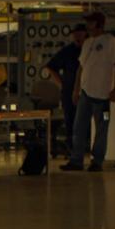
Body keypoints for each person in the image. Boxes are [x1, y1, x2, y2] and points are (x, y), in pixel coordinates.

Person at [62, 12, 115, 172]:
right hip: (85, 95)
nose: (88, 26)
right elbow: (81, 68)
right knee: (78, 127)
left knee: (102, 128)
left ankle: (97, 161)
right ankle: (76, 160)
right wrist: (76, 90)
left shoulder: (111, 42)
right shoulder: (88, 42)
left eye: (91, 23)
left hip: (103, 98)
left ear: (99, 24)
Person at [46, 24, 87, 155]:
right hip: (69, 93)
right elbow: (51, 67)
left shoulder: (90, 50)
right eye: (75, 36)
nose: (77, 38)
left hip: (88, 91)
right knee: (71, 121)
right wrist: (62, 84)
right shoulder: (68, 51)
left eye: (79, 35)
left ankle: (86, 146)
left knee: (88, 120)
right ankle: (73, 149)